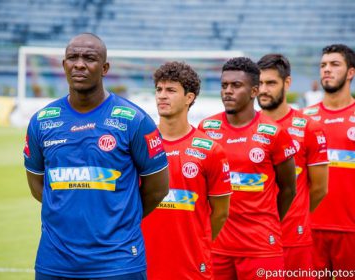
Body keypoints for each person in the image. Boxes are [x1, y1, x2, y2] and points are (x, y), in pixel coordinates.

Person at [23, 33, 169, 280]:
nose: (79, 64)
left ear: (104, 68)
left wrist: (119, 218)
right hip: (55, 261)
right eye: (72, 57)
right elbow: (39, 187)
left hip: (118, 261)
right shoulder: (42, 121)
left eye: (89, 58)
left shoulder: (134, 120)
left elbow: (157, 189)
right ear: (64, 65)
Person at [198, 57, 297, 280]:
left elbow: (289, 189)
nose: (228, 92)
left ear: (253, 91)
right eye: (224, 86)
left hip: (260, 247)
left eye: (236, 85)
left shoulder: (274, 133)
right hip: (216, 246)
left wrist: (266, 223)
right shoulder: (206, 129)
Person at [141, 61, 232, 280]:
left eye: (171, 90)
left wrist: (196, 242)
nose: (162, 96)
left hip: (191, 265)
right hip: (142, 262)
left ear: (189, 98)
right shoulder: (140, 145)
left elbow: (220, 213)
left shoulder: (211, 150)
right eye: (159, 90)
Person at [257, 54, 328, 278]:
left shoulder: (309, 128)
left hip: (294, 239)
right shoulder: (246, 128)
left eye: (271, 83)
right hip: (255, 241)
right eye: (259, 83)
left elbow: (319, 189)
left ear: (287, 83)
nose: (263, 90)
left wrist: (296, 216)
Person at [302, 44, 355, 276]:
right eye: (323, 65)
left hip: (351, 230)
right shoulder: (303, 119)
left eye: (334, 64)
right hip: (309, 229)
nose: (326, 70)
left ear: (350, 72)